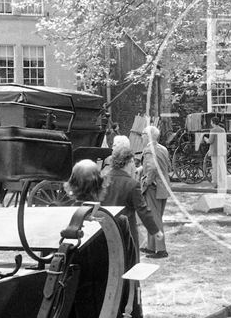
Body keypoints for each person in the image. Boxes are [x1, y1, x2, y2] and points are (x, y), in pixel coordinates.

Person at [64, 160, 141, 317]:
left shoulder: (60, 221)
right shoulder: (119, 222)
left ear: (72, 186)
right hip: (109, 306)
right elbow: (131, 273)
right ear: (101, 186)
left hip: (71, 309)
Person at [102, 146, 164, 254]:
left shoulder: (102, 180)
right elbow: (142, 209)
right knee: (130, 264)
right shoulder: (132, 184)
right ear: (129, 162)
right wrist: (155, 230)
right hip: (127, 231)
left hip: (106, 229)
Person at [140, 125, 171, 259]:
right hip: (164, 187)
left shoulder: (148, 149)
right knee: (155, 217)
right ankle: (151, 247)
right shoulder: (163, 149)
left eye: (143, 134)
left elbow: (152, 168)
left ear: (148, 136)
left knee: (155, 218)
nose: (141, 136)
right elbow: (167, 166)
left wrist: (146, 182)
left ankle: (161, 250)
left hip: (153, 187)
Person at [205, 117, 227, 188]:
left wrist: (205, 139)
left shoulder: (213, 130)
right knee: (221, 166)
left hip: (214, 151)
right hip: (221, 151)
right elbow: (224, 141)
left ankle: (215, 183)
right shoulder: (222, 130)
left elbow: (210, 141)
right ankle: (222, 181)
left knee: (215, 167)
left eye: (211, 122)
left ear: (213, 122)